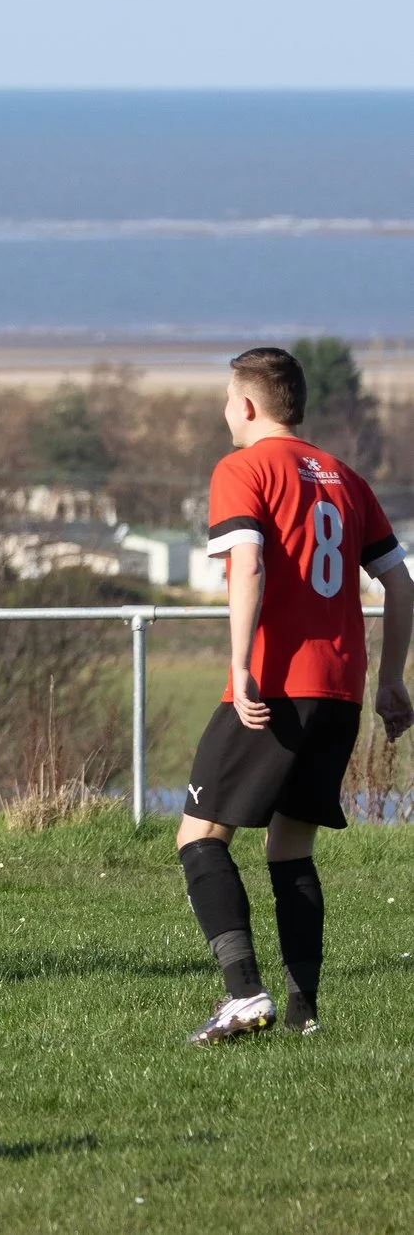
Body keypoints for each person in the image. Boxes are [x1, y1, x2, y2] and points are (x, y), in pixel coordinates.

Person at [178, 347, 413, 1044]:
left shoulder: (242, 468)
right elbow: (400, 585)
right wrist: (392, 678)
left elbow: (247, 561)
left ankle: (244, 994)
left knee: (200, 837)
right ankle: (306, 1013)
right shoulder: (346, 478)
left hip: (276, 686)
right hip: (339, 691)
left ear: (247, 406)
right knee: (290, 848)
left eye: (228, 399)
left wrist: (243, 665)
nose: (226, 411)